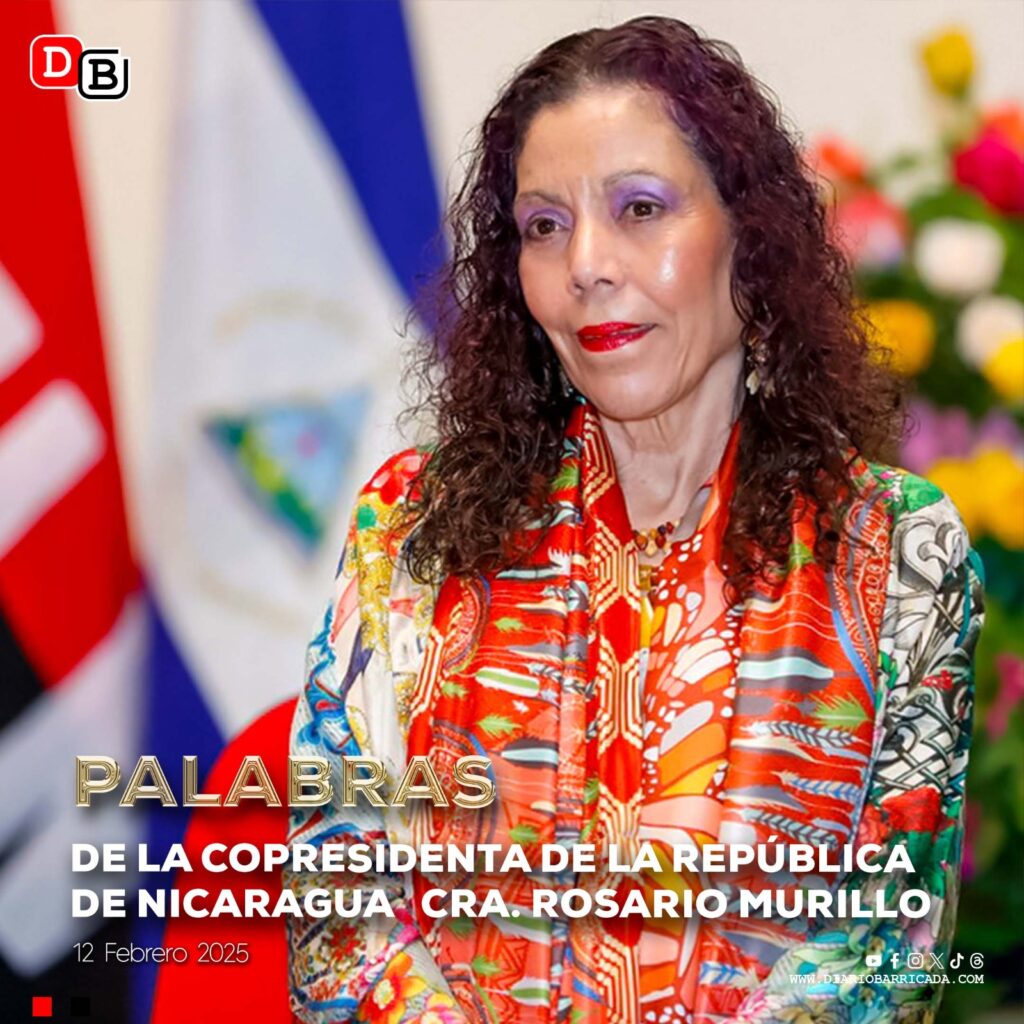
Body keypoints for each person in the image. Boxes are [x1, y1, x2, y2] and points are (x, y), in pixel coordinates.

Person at [287, 15, 983, 1024]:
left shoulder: (892, 547)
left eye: (641, 208)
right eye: (543, 226)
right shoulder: (411, 528)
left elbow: (888, 952)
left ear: (750, 237)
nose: (587, 264)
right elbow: (336, 920)